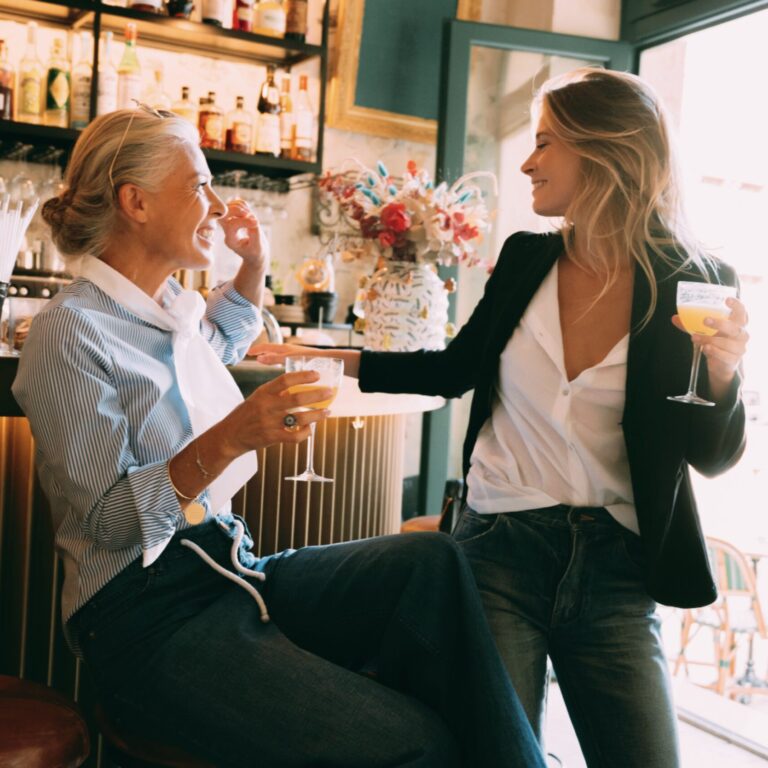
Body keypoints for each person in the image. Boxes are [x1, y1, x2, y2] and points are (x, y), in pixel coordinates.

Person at [11, 107, 546, 768]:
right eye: (199, 185)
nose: (214, 204)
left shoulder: (168, 310)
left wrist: (254, 262)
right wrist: (233, 437)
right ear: (136, 202)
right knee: (416, 742)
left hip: (230, 567)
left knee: (430, 562)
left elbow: (219, 340)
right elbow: (107, 523)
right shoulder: (72, 332)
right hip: (144, 619)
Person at [254, 68, 749, 768]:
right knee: (498, 759)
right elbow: (452, 369)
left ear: (603, 151)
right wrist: (331, 358)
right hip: (497, 555)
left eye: (546, 142)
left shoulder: (693, 280)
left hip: (616, 571)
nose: (526, 160)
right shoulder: (526, 259)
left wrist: (723, 376)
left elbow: (713, 455)